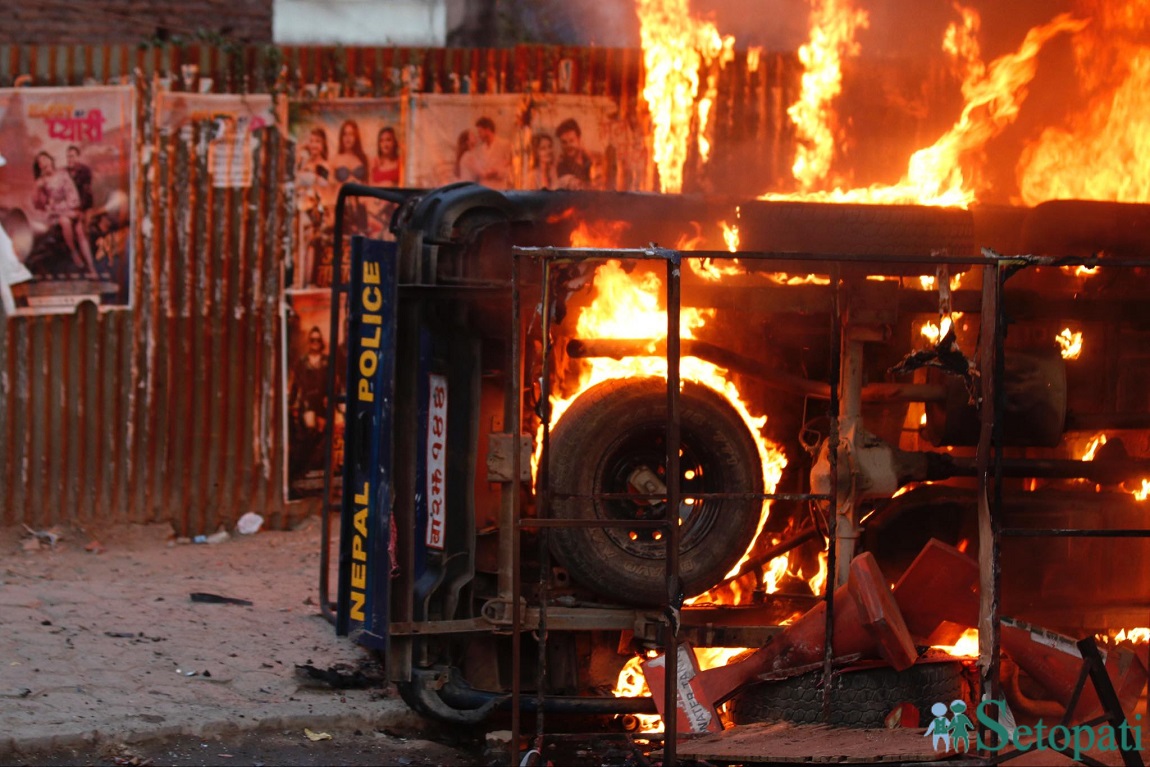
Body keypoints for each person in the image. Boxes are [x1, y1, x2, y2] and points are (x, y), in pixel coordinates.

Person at [32, 151, 98, 278]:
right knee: (65, 221)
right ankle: (73, 252)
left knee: (79, 230)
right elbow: (39, 205)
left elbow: (72, 193)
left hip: (71, 208)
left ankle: (91, 267)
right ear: (39, 166)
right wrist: (38, 188)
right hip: (55, 214)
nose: (44, 162)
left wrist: (73, 209)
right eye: (41, 161)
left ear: (51, 159)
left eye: (45, 158)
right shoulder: (42, 181)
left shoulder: (63, 174)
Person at [288, 325, 331, 478]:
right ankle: (301, 468)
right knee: (311, 430)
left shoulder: (327, 361)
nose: (315, 343)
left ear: (321, 342)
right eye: (312, 340)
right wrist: (291, 402)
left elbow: (334, 383)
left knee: (324, 435)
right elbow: (295, 385)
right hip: (307, 404)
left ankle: (312, 469)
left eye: (317, 340)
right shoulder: (302, 362)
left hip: (323, 404)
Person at [459, 116, 512, 189]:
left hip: (498, 189)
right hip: (483, 190)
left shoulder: (505, 145)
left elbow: (509, 170)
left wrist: (497, 172)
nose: (478, 135)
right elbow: (478, 172)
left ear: (487, 130)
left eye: (480, 132)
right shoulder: (479, 150)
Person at [555, 117, 593, 190]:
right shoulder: (561, 166)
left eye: (571, 141)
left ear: (579, 140)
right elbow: (581, 188)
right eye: (564, 142)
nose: (568, 145)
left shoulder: (589, 159)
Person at [331, 120, 368, 185]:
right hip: (343, 194)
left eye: (351, 134)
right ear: (341, 137)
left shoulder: (364, 158)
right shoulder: (335, 160)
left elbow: (370, 183)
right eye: (345, 134)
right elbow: (331, 184)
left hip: (361, 194)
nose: (348, 138)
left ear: (356, 137)